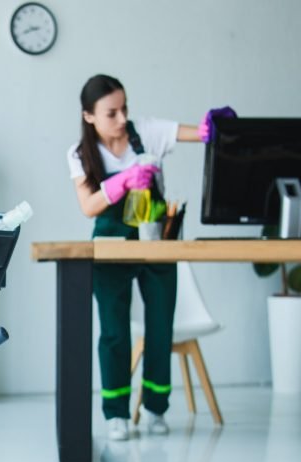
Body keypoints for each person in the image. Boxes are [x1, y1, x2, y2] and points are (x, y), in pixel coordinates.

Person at [67, 74, 234, 441]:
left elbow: (198, 134)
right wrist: (122, 182)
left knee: (161, 326)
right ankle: (116, 414)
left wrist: (212, 127)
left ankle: (157, 408)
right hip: (110, 246)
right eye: (111, 112)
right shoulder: (80, 154)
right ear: (90, 116)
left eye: (124, 108)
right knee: (113, 331)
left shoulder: (147, 132)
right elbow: (89, 206)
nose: (122, 118)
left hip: (156, 242)